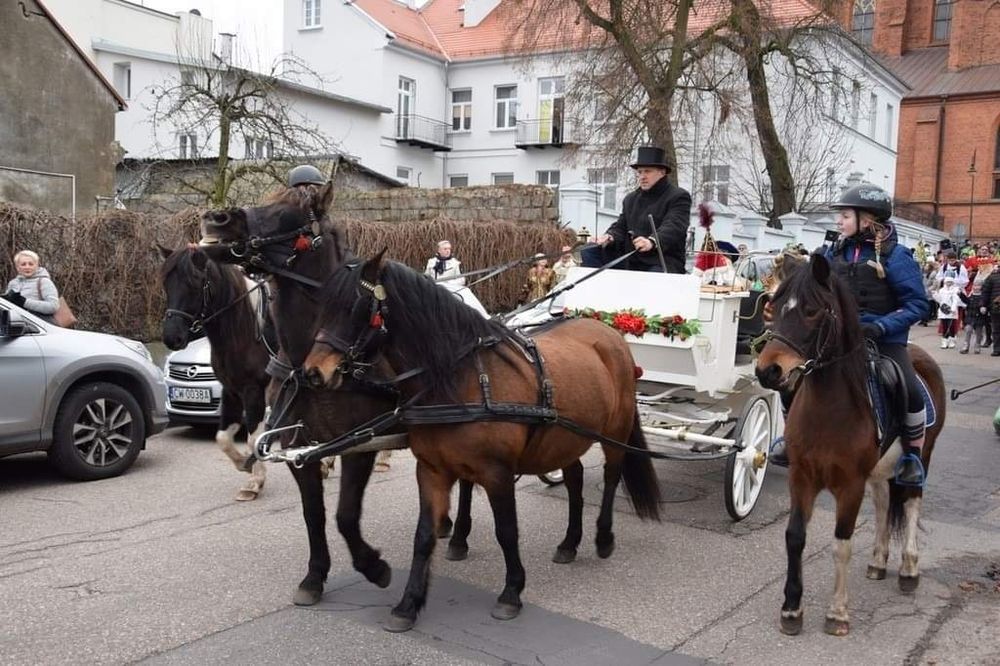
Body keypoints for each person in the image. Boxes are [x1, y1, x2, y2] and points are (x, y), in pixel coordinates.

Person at [770, 184, 927, 485]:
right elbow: (812, 288)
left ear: (867, 219)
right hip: (837, 339)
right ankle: (790, 437)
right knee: (790, 376)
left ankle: (912, 457)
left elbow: (918, 304)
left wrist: (881, 325)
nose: (838, 222)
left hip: (882, 339)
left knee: (909, 388)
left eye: (844, 216)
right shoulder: (832, 252)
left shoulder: (897, 257)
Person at [584, 146, 691, 273]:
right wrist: (610, 236)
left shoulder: (678, 196)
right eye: (640, 172)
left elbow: (674, 226)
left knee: (653, 276)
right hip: (631, 260)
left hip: (661, 261)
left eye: (647, 171)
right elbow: (621, 227)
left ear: (662, 172)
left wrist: (652, 241)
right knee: (589, 250)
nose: (642, 176)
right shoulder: (631, 199)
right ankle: (600, 290)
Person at [2, 250, 60, 323]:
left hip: (40, 328)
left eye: (31, 264)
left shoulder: (44, 282)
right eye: (23, 264)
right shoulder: (13, 283)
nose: (27, 267)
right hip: (15, 326)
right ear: (17, 267)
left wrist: (24, 302)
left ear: (37, 265)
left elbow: (53, 306)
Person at [935, 274, 962, 348]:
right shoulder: (941, 290)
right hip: (943, 311)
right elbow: (940, 300)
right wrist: (935, 294)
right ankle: (944, 341)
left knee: (952, 326)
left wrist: (953, 309)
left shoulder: (955, 290)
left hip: (951, 311)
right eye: (947, 282)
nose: (949, 283)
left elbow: (955, 300)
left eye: (950, 282)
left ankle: (952, 340)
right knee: (945, 326)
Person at [980, 261, 1000, 356]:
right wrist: (983, 304)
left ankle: (997, 349)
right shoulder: (992, 277)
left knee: (996, 329)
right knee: (996, 329)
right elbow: (985, 292)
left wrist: (984, 304)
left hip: (995, 307)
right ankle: (997, 349)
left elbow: (985, 292)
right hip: (995, 307)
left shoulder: (991, 277)